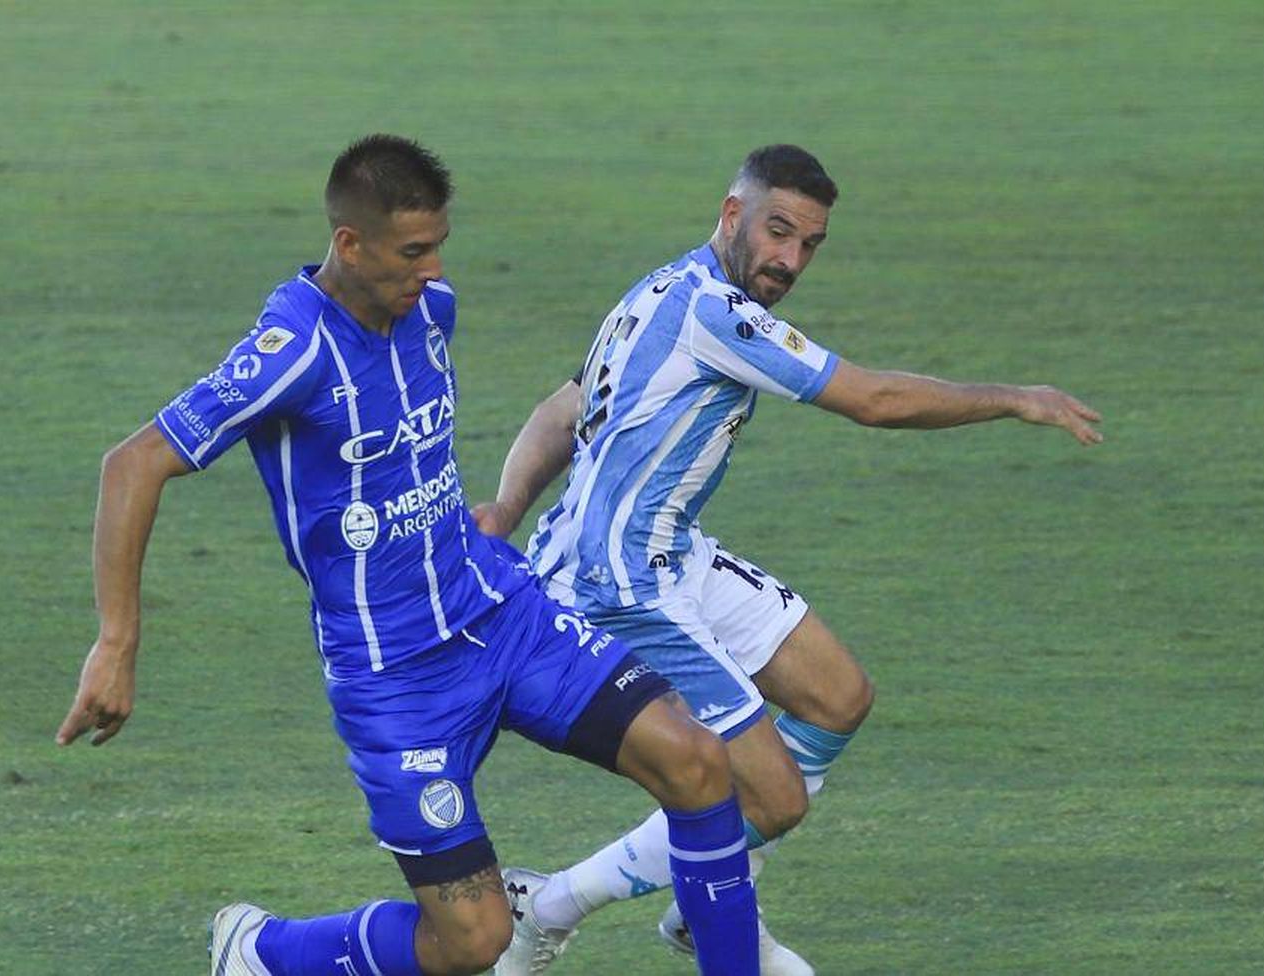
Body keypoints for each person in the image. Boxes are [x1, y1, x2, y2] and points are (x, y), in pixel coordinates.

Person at [54, 135, 763, 976]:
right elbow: (133, 463)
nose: (431, 271)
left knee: (697, 763)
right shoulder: (293, 351)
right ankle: (263, 952)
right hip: (396, 679)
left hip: (501, 615)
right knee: (475, 941)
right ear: (349, 244)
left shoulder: (432, 309)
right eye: (412, 251)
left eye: (439, 247)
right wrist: (117, 642)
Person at [475, 144, 1103, 975]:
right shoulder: (713, 314)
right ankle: (552, 906)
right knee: (771, 795)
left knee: (838, 697)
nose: (791, 260)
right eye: (778, 232)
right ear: (732, 214)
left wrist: (511, 507)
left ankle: (693, 909)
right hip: (617, 581)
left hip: (673, 553)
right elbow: (873, 401)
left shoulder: (657, 290)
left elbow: (563, 406)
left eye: (810, 244)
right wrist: (1018, 398)